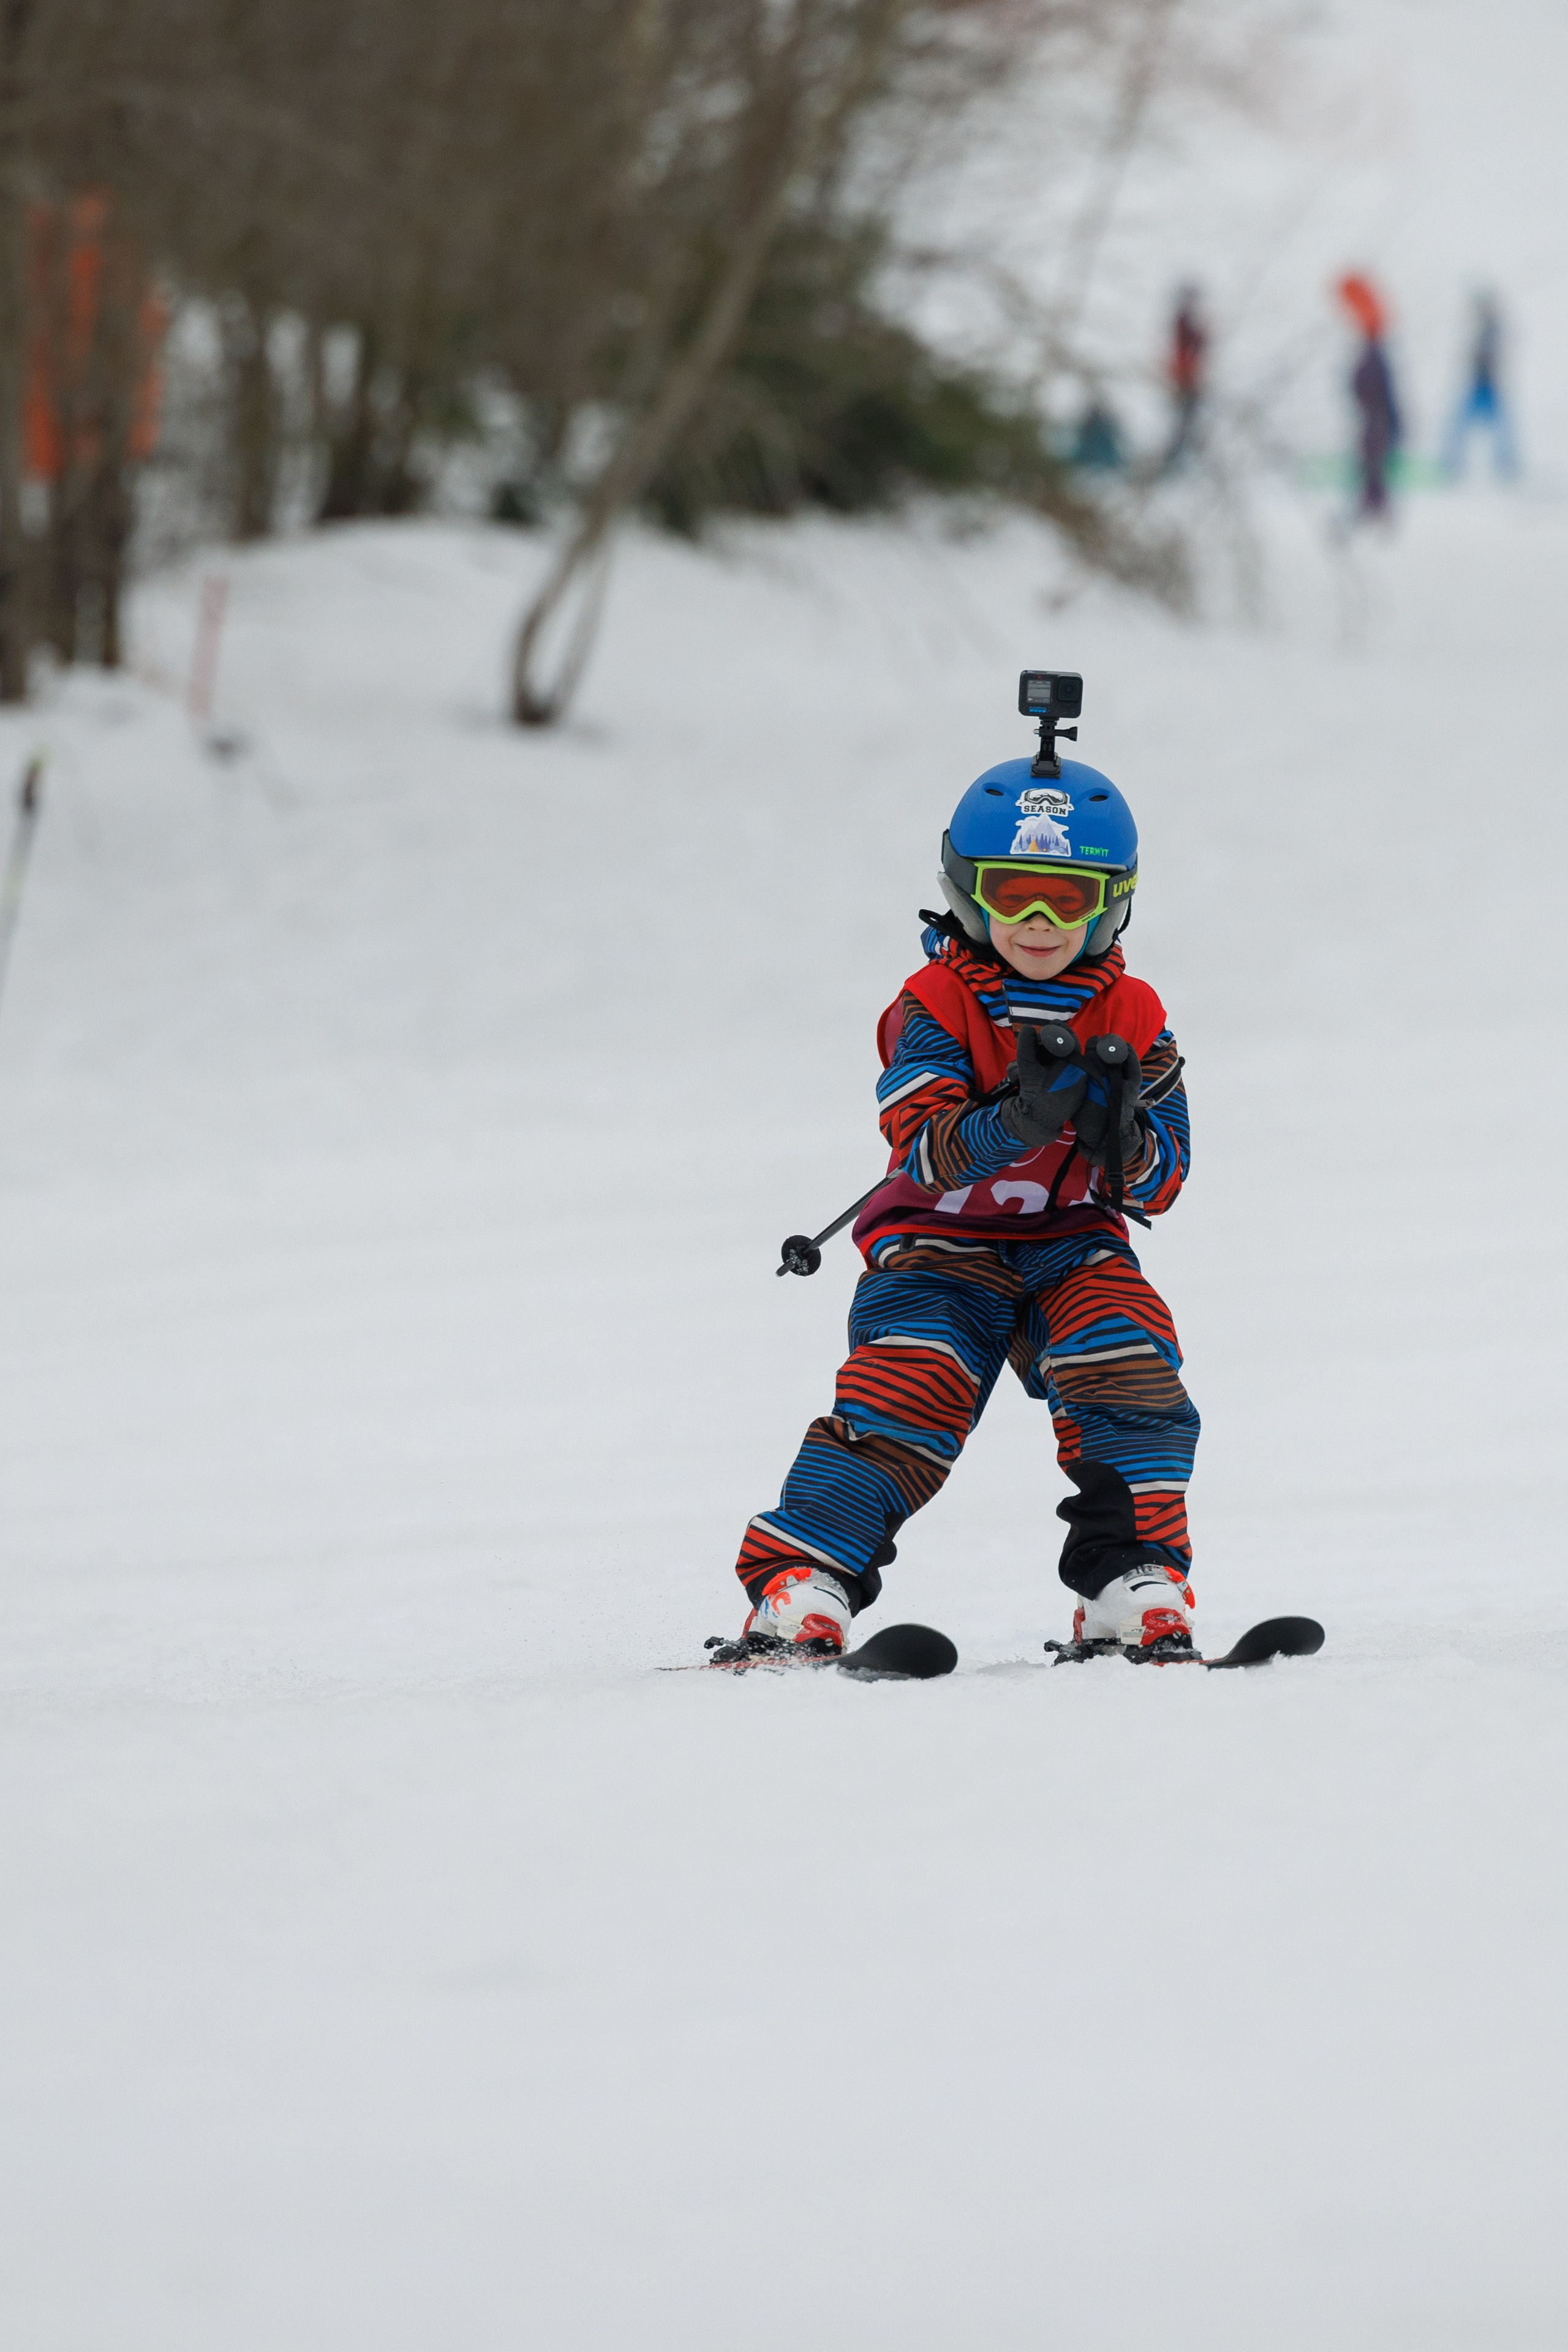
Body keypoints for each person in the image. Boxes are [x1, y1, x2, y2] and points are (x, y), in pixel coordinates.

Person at [718, 700, 1199, 1664]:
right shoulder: (934, 1002)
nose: (1035, 923)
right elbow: (920, 1144)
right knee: (914, 1384)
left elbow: (1167, 1177)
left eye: (1066, 900)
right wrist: (1016, 1118)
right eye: (1014, 892)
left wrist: (1121, 1139)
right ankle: (802, 1577)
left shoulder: (1136, 1011)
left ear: (1112, 900)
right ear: (966, 888)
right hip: (939, 1249)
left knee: (1128, 1360)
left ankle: (1129, 1575)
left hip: (1071, 1245)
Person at [1337, 273, 1401, 522]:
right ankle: (1374, 510)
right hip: (1376, 419)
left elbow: (1376, 390)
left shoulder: (1373, 357)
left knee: (1372, 469)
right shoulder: (1376, 355)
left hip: (1375, 420)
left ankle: (1372, 510)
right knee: (1372, 470)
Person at [1444, 290, 1517, 478]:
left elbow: (1489, 356)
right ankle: (1454, 462)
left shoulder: (1492, 330)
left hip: (1487, 384)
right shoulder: (1484, 330)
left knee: (1497, 427)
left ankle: (1504, 464)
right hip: (1480, 384)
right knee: (1462, 424)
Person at [1163, 284, 1208, 472]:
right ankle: (1177, 460)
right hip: (1186, 379)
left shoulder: (1183, 322)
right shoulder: (1184, 323)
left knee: (1186, 420)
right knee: (1184, 421)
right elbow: (1191, 349)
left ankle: (1180, 458)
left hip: (1186, 378)